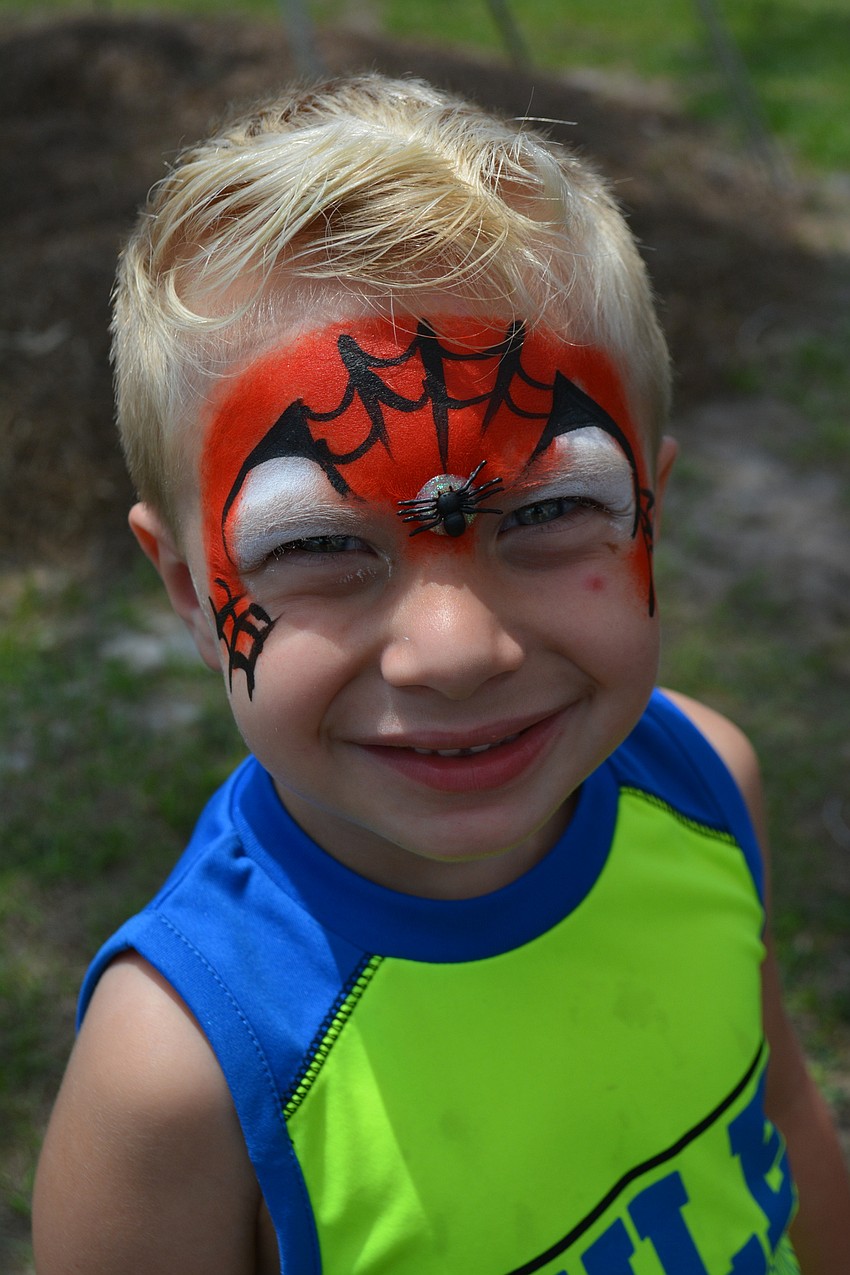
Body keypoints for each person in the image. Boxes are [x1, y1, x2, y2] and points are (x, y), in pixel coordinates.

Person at [32, 74, 850, 1274]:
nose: (458, 652)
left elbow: (778, 1122)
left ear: (651, 516)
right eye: (316, 545)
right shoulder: (183, 1078)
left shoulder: (706, 787)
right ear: (191, 592)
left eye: (557, 509)